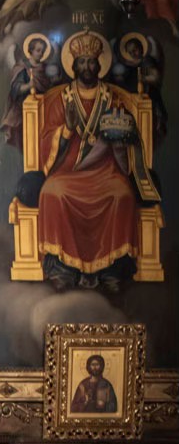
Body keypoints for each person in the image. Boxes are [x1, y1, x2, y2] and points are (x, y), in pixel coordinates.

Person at [38, 33, 159, 293]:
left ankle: (112, 271)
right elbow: (46, 140)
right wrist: (67, 129)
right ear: (73, 65)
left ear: (99, 65)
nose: (87, 67)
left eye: (91, 61)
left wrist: (118, 137)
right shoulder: (62, 99)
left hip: (106, 169)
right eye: (82, 62)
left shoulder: (111, 97)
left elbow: (123, 128)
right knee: (52, 193)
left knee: (122, 195)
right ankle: (63, 269)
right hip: (68, 170)